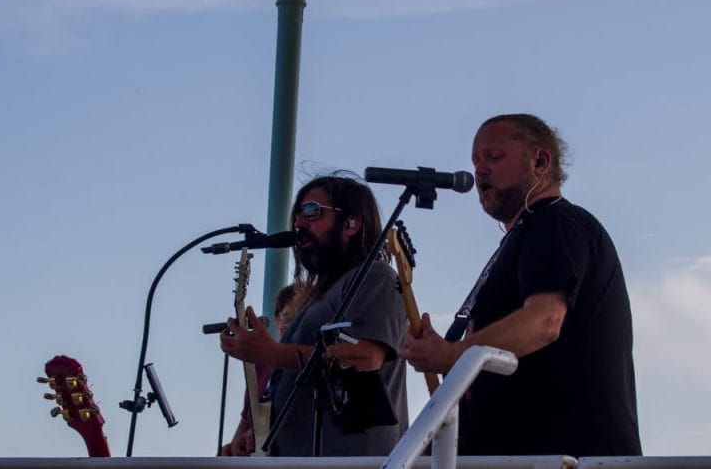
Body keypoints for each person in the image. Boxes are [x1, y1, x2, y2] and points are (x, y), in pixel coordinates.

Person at [400, 114, 642, 457]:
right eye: (475, 161)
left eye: (494, 157)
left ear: (541, 161)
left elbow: (544, 321)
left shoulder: (554, 222)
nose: (480, 170)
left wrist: (454, 354)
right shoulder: (526, 236)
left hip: (563, 455)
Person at [220, 174, 408, 456]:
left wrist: (268, 353)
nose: (298, 223)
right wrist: (256, 437)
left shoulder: (375, 276)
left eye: (311, 212)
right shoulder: (320, 297)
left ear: (351, 223)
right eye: (297, 214)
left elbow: (365, 358)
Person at [220, 283, 302, 456]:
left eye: (300, 318)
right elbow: (245, 428)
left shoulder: (321, 364)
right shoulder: (260, 369)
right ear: (277, 321)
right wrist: (232, 453)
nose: (292, 326)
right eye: (287, 317)